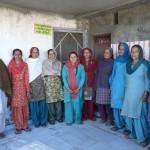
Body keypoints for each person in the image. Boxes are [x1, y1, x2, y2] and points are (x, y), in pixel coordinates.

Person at [121, 45, 149, 147]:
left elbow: (147, 80)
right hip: (129, 94)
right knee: (129, 115)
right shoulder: (128, 64)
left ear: (140, 52)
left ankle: (143, 138)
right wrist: (124, 92)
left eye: (136, 51)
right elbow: (125, 80)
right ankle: (133, 134)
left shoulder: (144, 64)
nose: (134, 54)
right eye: (132, 52)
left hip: (139, 95)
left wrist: (146, 92)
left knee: (139, 116)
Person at [8, 49, 31, 134]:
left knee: (23, 106)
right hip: (14, 88)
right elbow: (9, 79)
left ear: (21, 55)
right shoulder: (10, 65)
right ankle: (18, 127)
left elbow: (26, 77)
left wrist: (28, 90)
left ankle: (24, 125)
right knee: (16, 107)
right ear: (13, 55)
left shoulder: (25, 65)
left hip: (22, 88)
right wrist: (9, 91)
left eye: (19, 54)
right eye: (15, 54)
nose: (17, 56)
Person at [109, 42, 130, 131]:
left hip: (124, 86)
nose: (121, 51)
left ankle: (128, 127)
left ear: (126, 50)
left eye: (123, 49)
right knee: (115, 105)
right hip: (115, 86)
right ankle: (118, 124)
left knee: (125, 106)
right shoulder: (116, 60)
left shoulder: (129, 60)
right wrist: (111, 84)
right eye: (119, 49)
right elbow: (113, 73)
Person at [26, 47, 48, 128]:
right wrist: (28, 86)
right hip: (31, 84)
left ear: (38, 53)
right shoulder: (27, 62)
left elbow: (43, 71)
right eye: (33, 52)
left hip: (40, 83)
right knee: (33, 103)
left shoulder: (41, 61)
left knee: (42, 103)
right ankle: (36, 121)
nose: (35, 54)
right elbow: (26, 74)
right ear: (31, 53)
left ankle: (43, 121)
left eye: (37, 52)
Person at [62, 52, 85, 125]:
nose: (73, 58)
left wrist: (79, 87)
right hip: (68, 89)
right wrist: (67, 88)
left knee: (78, 105)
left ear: (77, 57)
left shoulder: (80, 66)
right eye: (71, 57)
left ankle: (78, 120)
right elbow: (64, 77)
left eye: (74, 57)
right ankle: (69, 120)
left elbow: (82, 77)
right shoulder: (65, 66)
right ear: (69, 58)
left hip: (77, 89)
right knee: (68, 105)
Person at [42, 49, 63, 125]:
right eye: (49, 54)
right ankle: (51, 118)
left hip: (57, 83)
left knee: (58, 100)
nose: (51, 55)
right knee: (50, 101)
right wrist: (55, 74)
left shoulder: (58, 63)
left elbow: (59, 72)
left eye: (52, 54)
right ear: (48, 55)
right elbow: (45, 73)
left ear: (55, 54)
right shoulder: (44, 63)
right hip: (48, 83)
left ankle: (59, 116)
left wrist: (52, 74)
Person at [95, 48, 114, 125]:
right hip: (99, 84)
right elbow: (97, 73)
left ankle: (109, 119)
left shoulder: (113, 62)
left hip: (107, 85)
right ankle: (103, 117)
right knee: (100, 103)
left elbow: (113, 75)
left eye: (108, 53)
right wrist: (95, 84)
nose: (106, 54)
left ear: (111, 54)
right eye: (105, 52)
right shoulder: (100, 62)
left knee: (108, 104)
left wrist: (111, 85)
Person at [81, 48, 97, 121]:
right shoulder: (80, 62)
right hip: (83, 83)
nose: (86, 54)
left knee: (90, 100)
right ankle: (84, 115)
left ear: (90, 53)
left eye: (88, 52)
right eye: (85, 52)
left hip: (91, 83)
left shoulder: (94, 62)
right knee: (84, 100)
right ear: (83, 54)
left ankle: (91, 115)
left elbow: (96, 72)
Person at [0, 59, 12, 139]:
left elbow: (5, 75)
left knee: (2, 111)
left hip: (1, 90)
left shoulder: (0, 62)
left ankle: (0, 131)